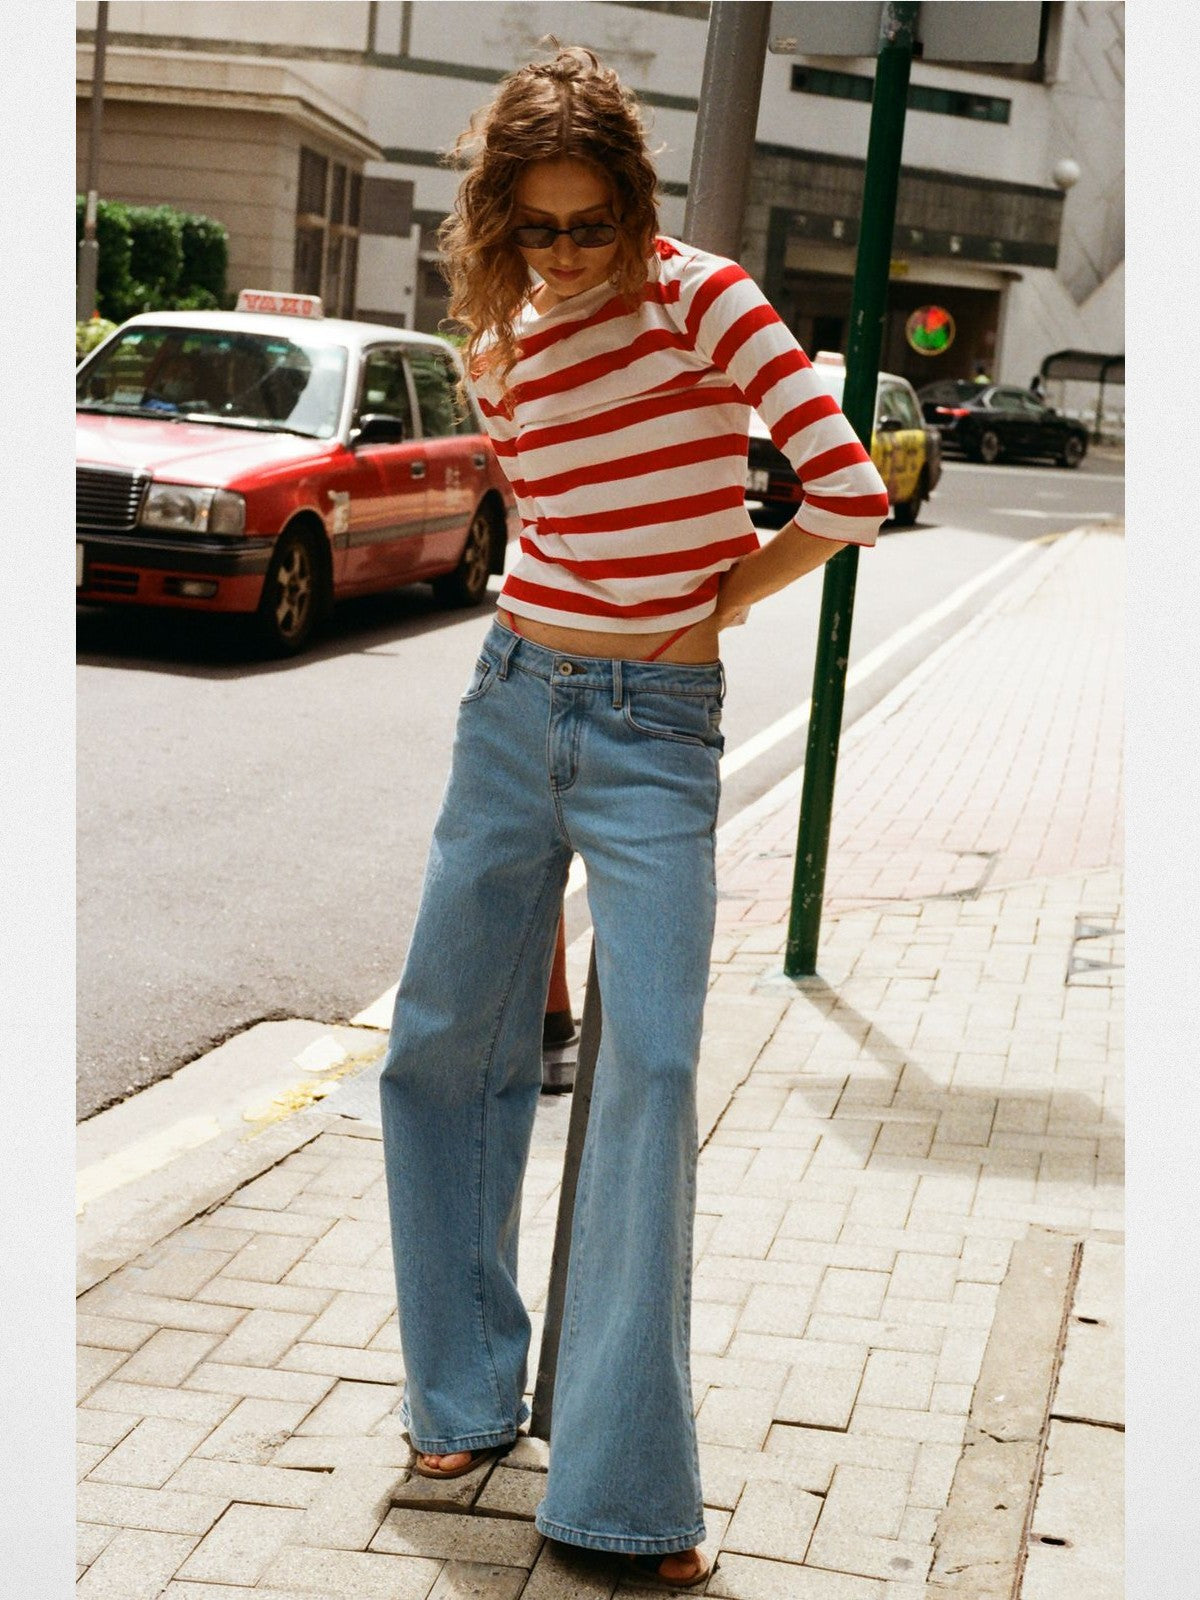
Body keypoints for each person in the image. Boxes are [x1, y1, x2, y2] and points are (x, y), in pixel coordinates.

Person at [379, 45, 889, 1589]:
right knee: (443, 1042)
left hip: (657, 730)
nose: (571, 254)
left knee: (653, 1068)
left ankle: (616, 1489)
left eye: (592, 222)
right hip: (512, 702)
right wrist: (574, 608)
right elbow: (554, 514)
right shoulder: (503, 333)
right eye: (539, 227)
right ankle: (460, 1398)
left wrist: (707, 610)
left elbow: (846, 489)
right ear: (502, 221)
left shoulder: (706, 298)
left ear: (636, 201)